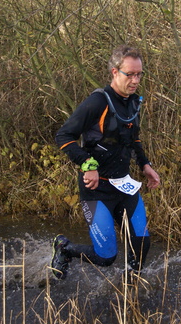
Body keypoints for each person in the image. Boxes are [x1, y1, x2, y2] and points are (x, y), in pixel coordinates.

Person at [51, 45, 160, 280]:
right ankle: (65, 248)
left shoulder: (133, 102)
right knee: (106, 257)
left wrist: (145, 165)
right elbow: (63, 136)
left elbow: (133, 139)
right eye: (129, 74)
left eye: (139, 74)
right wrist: (87, 165)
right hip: (95, 189)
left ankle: (130, 293)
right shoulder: (97, 102)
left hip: (124, 185)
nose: (135, 80)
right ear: (114, 72)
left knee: (142, 244)